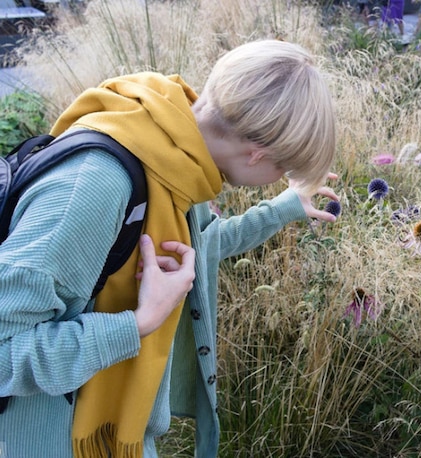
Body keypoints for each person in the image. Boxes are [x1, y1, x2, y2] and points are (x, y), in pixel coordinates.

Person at [0, 39, 338, 457]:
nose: (278, 177)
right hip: (46, 440)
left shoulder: (174, 157)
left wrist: (280, 209)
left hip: (112, 429)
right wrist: (139, 322)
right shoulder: (95, 187)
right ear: (257, 154)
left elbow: (191, 248)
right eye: (282, 169)